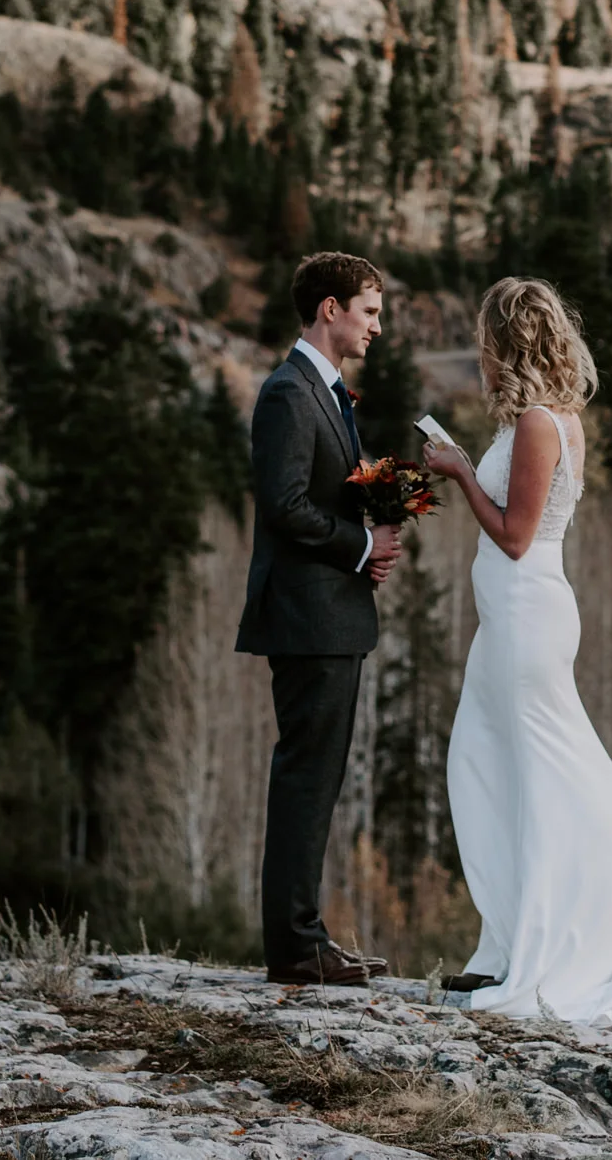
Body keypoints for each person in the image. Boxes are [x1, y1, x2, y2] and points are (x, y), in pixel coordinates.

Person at [422, 276, 612, 1023]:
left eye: (484, 342)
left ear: (506, 344)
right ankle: (503, 944)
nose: (480, 356)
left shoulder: (540, 423)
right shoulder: (544, 417)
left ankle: (585, 913)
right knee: (487, 767)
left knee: (535, 779)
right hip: (513, 621)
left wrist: (460, 471)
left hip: (527, 618)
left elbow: (514, 536)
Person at [236, 251, 402, 986]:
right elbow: (283, 506)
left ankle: (306, 938)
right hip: (307, 617)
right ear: (328, 309)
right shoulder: (287, 393)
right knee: (306, 778)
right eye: (368, 312)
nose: (376, 327)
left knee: (318, 778)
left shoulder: (327, 393)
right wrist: (364, 541)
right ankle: (297, 948)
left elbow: (322, 494)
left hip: (329, 616)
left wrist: (383, 504)